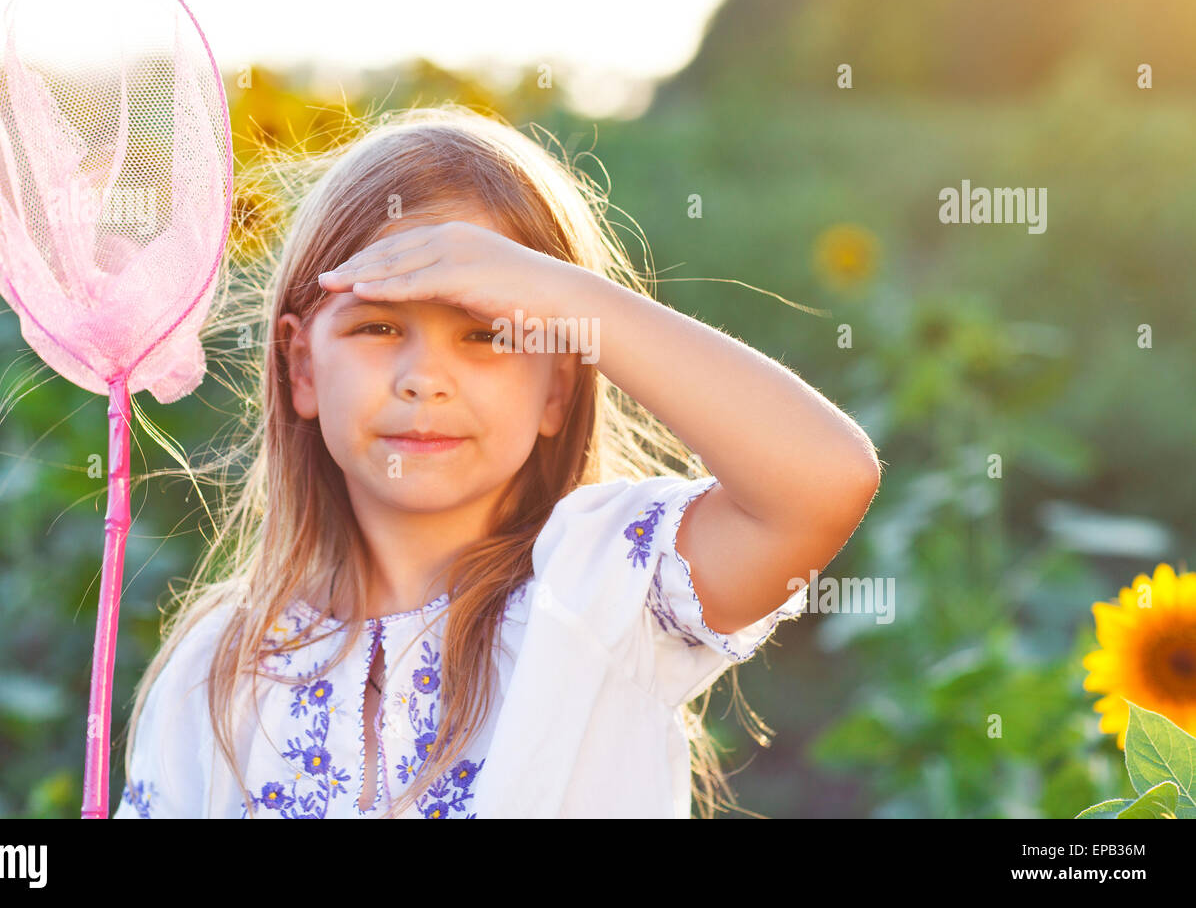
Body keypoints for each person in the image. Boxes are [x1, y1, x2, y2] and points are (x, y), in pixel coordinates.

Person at [114, 104, 881, 819]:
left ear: (558, 386)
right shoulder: (216, 666)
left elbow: (824, 482)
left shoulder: (606, 587)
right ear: (301, 367)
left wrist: (555, 292)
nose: (425, 377)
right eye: (378, 326)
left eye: (485, 334)